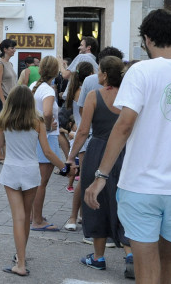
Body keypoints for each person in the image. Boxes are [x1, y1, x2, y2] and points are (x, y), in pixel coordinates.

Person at [84, 9, 171, 283]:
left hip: (141, 185)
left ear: (147, 39)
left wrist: (100, 177)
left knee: (146, 267)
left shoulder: (140, 71)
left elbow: (123, 126)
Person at [66, 57, 134, 278]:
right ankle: (129, 252)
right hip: (124, 152)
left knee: (95, 202)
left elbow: (83, 131)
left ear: (103, 74)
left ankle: (98, 257)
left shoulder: (95, 96)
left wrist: (71, 156)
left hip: (98, 151)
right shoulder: (129, 97)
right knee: (122, 200)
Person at [0, 85, 69, 277]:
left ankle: (20, 262)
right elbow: (47, 151)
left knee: (18, 218)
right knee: (26, 218)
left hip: (11, 170)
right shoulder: (37, 121)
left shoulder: (3, 120)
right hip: (30, 171)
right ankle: (21, 257)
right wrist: (64, 167)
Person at [29, 56, 63, 231]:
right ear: (55, 72)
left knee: (35, 181)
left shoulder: (34, 87)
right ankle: (37, 220)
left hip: (33, 137)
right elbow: (48, 112)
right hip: (47, 138)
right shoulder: (48, 91)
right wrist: (48, 126)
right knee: (42, 182)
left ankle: (33, 215)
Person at [62, 61, 94, 194]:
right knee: (85, 176)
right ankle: (78, 213)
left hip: (82, 131)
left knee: (84, 174)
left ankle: (78, 213)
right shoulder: (83, 92)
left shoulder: (75, 90)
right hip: (86, 133)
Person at [0, 39, 18, 164]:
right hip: (2, 98)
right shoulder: (0, 64)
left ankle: (6, 153)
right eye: (12, 48)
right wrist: (3, 101)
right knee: (0, 126)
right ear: (5, 50)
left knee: (7, 127)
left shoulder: (10, 64)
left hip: (11, 98)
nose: (14, 50)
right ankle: (0, 155)